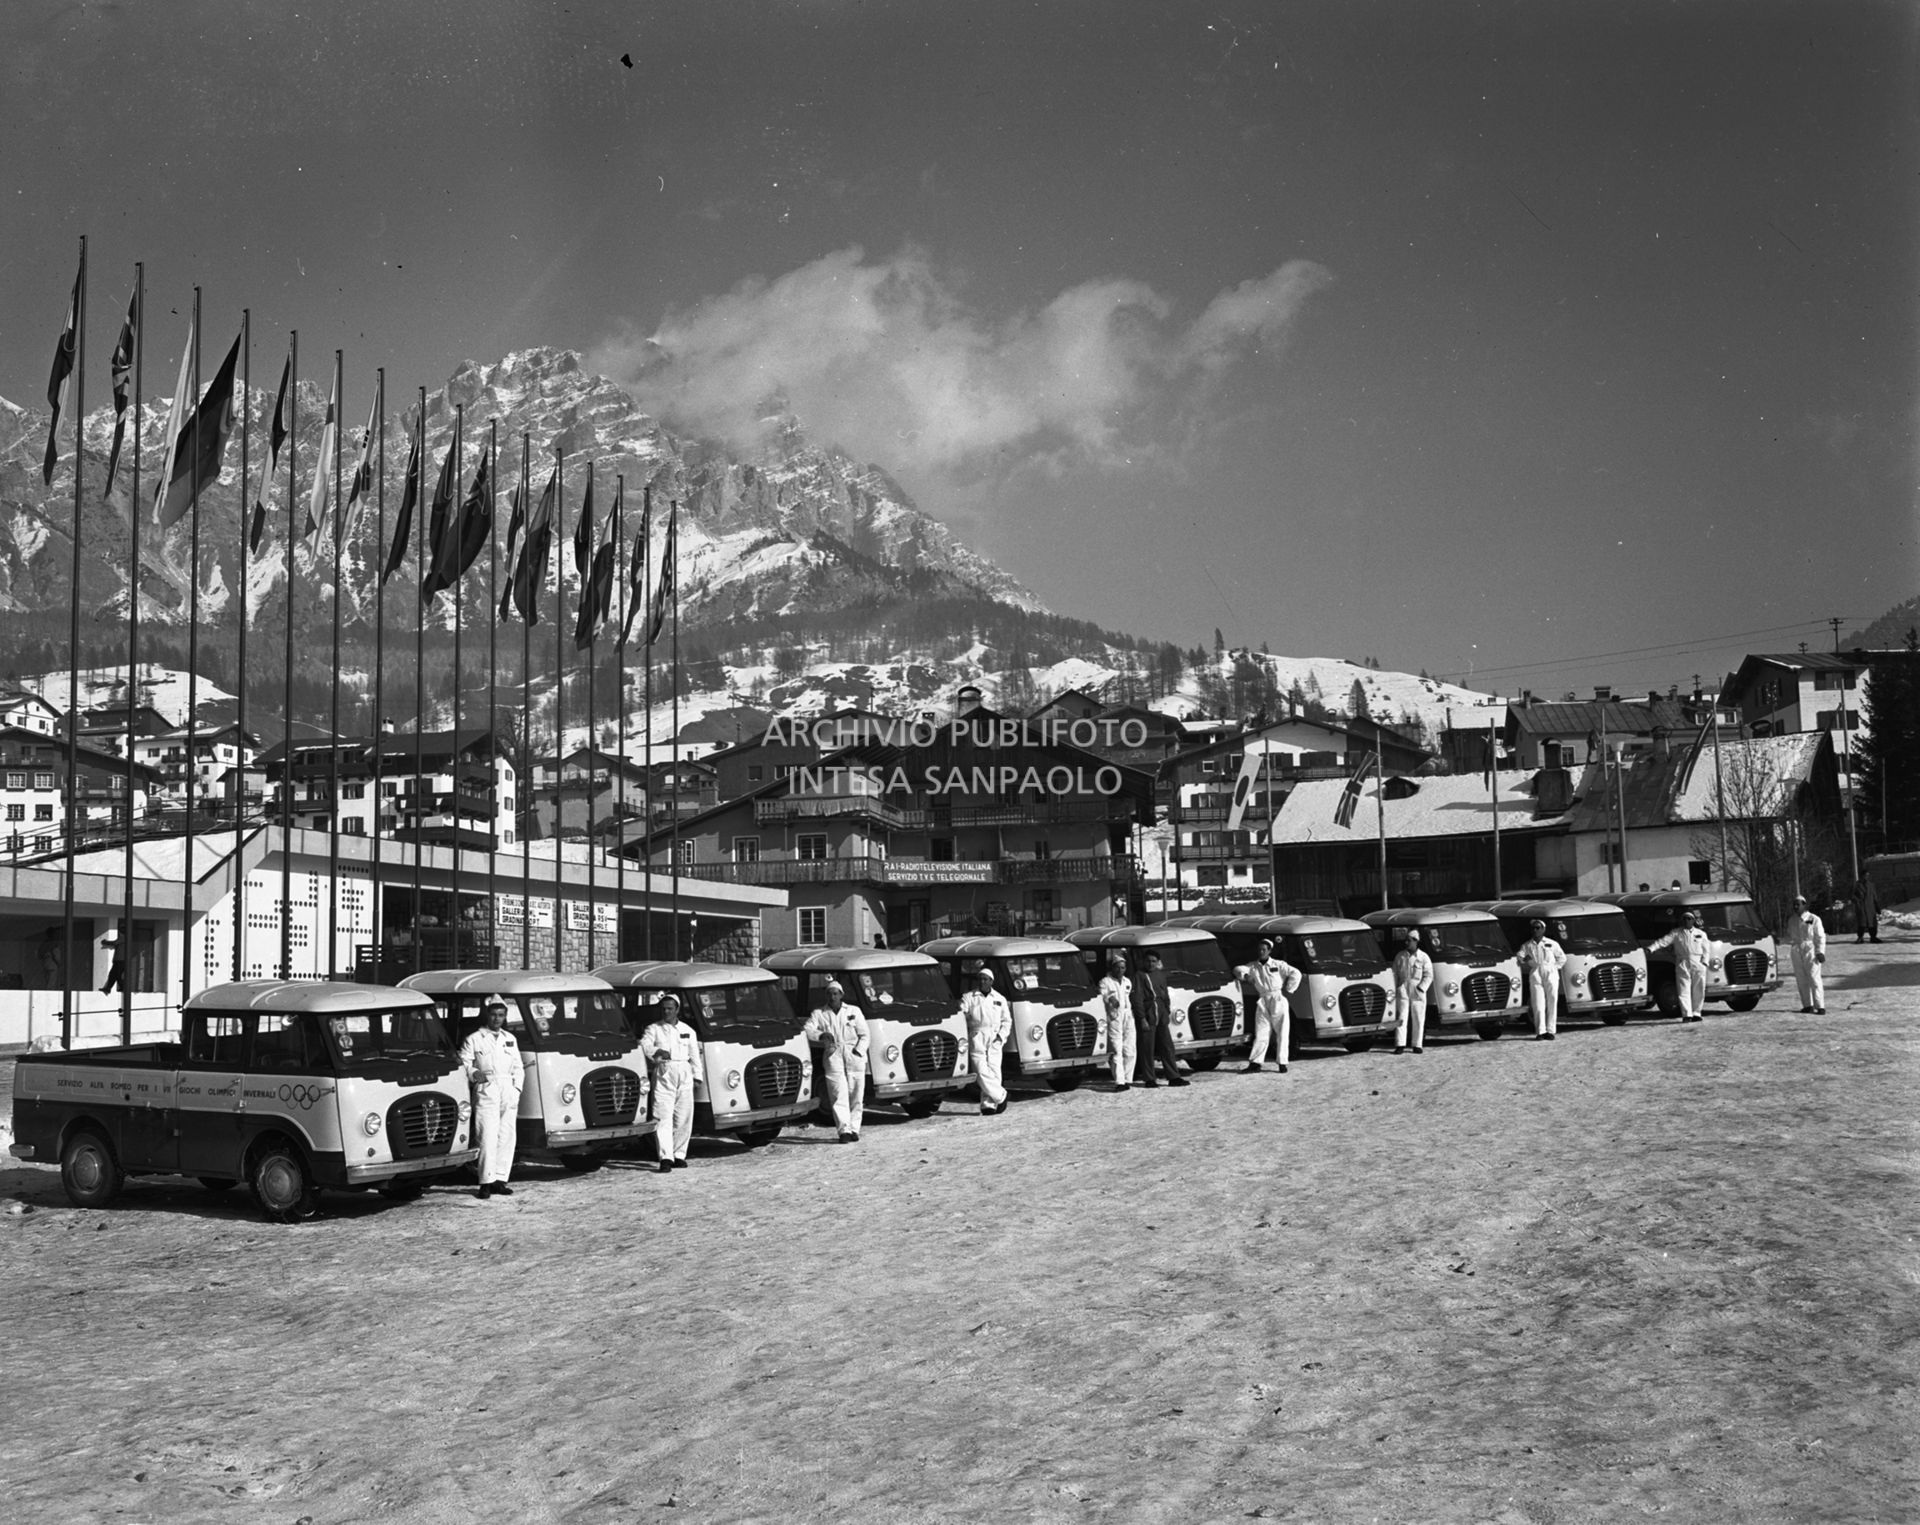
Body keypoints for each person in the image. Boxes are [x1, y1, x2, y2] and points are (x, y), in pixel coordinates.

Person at [458, 999, 524, 1198]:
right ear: (487, 1015)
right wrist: (473, 1072)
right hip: (487, 1088)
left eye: (501, 1015)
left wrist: (517, 1090)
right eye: (494, 1015)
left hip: (508, 1088)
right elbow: (464, 1062)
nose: (497, 1019)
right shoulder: (475, 1038)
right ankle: (486, 1181)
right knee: (487, 1135)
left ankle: (500, 1179)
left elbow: (518, 1067)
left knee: (506, 1135)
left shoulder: (509, 1038)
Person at [803, 978, 871, 1143]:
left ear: (841, 995)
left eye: (835, 993)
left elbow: (865, 1035)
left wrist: (858, 1051)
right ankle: (844, 1131)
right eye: (829, 994)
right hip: (833, 1057)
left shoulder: (853, 1011)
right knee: (837, 1094)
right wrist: (821, 1036)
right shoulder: (820, 1013)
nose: (832, 997)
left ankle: (855, 1128)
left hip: (853, 1056)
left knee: (856, 1093)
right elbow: (807, 1029)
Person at [640, 992, 701, 1171]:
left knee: (683, 1116)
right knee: (662, 1116)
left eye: (670, 1009)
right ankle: (666, 1157)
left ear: (677, 1010)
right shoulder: (654, 1029)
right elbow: (644, 1044)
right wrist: (657, 1051)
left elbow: (695, 1055)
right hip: (664, 1073)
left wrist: (698, 1076)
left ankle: (679, 1154)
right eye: (664, 1009)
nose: (666, 1012)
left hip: (684, 1073)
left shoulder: (688, 1031)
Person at [1238, 937, 1303, 1074]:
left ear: (1269, 951)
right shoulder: (1253, 966)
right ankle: (1255, 1063)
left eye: (1264, 950)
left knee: (1282, 1031)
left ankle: (1282, 1062)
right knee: (1261, 1031)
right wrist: (1245, 976)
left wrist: (1289, 988)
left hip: (1277, 999)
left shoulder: (1278, 964)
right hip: (1262, 1000)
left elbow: (1295, 973)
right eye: (1259, 950)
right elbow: (1237, 969)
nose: (1261, 952)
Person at [1129, 950, 1189, 1086]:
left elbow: (1165, 994)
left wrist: (1166, 1011)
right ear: (1144, 962)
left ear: (1157, 962)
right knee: (1147, 1048)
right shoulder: (1139, 976)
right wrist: (1142, 1018)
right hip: (1148, 1014)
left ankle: (1173, 1076)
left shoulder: (1160, 975)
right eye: (1148, 961)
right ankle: (1149, 1078)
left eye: (1153, 961)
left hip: (1161, 1014)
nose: (1151, 964)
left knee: (1167, 1046)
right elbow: (1137, 998)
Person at [962, 967, 1013, 1115]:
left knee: (995, 1072)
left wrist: (1001, 1037)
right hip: (977, 1036)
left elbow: (1007, 1021)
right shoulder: (969, 997)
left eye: (986, 979)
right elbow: (962, 1012)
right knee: (981, 1071)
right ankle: (1001, 1095)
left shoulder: (999, 998)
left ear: (991, 981)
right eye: (980, 979)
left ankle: (988, 1105)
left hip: (995, 1038)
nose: (983, 981)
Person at [1649, 909, 1711, 1023]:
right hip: (1683, 962)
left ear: (1693, 920)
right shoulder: (1676, 933)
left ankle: (1697, 1013)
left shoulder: (1701, 934)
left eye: (1689, 918)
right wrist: (1651, 948)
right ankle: (1687, 1014)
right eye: (1685, 919)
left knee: (1699, 989)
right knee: (1683, 989)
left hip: (1698, 962)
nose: (1687, 921)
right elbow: (1663, 941)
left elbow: (1706, 949)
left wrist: (1705, 963)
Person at [1519, 918, 1566, 1041]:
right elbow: (1520, 956)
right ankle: (1540, 1031)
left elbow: (1562, 958)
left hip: (1550, 972)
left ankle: (1550, 1030)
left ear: (1543, 929)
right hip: (1535, 971)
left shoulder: (1552, 943)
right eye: (1533, 928)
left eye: (1538, 928)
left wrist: (1554, 968)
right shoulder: (1527, 945)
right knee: (1538, 1003)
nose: (1535, 930)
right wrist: (1528, 961)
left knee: (1552, 1000)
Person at [1391, 929, 1435, 1054]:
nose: (1406, 943)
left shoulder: (1423, 957)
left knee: (1418, 1017)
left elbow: (1429, 975)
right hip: (1403, 987)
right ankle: (1400, 1044)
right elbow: (1394, 973)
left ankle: (1417, 1044)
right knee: (1401, 1017)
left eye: (1409, 941)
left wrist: (1422, 987)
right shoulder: (1400, 956)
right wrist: (1396, 987)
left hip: (1417, 988)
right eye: (1406, 940)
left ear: (1416, 941)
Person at [1097, 951, 1135, 1090]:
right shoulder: (1105, 982)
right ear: (1112, 968)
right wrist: (1109, 999)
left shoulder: (1127, 982)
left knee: (1130, 1048)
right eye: (1117, 967)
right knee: (1116, 1050)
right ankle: (1119, 1081)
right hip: (1114, 1018)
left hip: (1128, 1016)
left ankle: (1127, 1078)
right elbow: (1102, 995)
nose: (1120, 970)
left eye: (1123, 967)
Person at [1790, 894, 1827, 1014]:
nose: (1796, 907)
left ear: (1804, 905)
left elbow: (1820, 937)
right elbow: (1790, 937)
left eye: (1798, 904)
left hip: (1810, 951)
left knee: (1814, 978)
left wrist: (1820, 952)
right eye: (1794, 904)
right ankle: (1807, 1005)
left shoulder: (1813, 919)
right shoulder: (1792, 920)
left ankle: (1820, 1006)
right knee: (1801, 979)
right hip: (1796, 951)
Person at [1852, 877, 1881, 945]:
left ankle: (1873, 937)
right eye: (1864, 875)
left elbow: (1874, 896)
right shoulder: (1857, 885)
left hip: (1870, 907)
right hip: (1861, 906)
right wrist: (1857, 902)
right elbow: (1853, 896)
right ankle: (1860, 937)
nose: (1866, 877)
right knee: (1862, 923)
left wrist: (1877, 907)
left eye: (1868, 875)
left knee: (1872, 923)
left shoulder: (1871, 885)